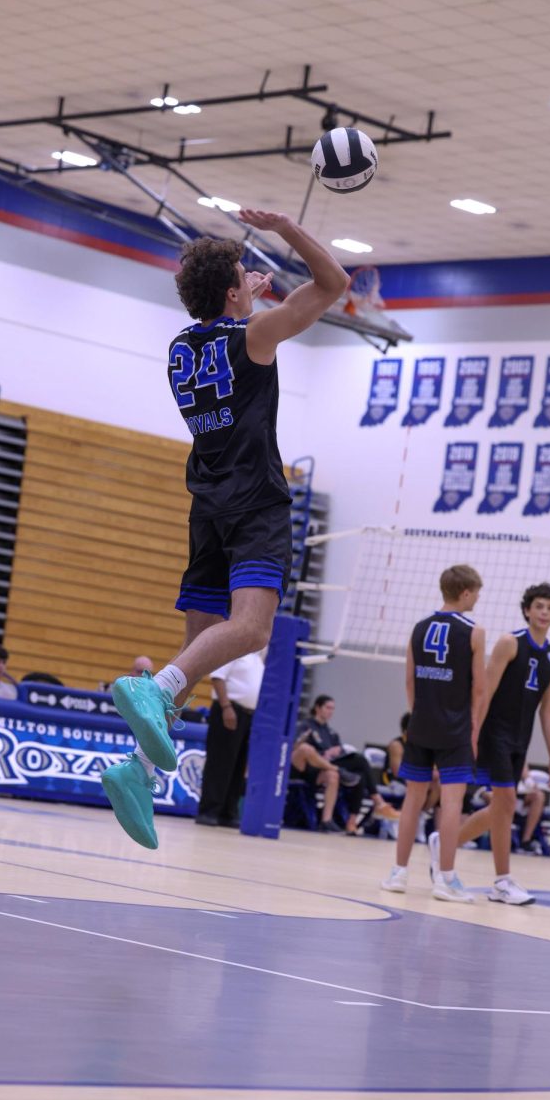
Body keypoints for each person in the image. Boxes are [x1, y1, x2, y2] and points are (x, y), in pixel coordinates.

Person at [100, 211, 349, 849]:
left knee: (201, 647)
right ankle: (152, 687)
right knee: (253, 629)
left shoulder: (181, 348)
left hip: (206, 506)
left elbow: (226, 335)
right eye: (244, 274)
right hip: (254, 503)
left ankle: (137, 771)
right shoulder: (254, 335)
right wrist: (287, 228)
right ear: (236, 291)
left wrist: (241, 300)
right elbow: (333, 283)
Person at [452, 583, 550, 905]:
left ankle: (445, 843)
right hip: (494, 733)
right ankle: (502, 882)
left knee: (501, 807)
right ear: (527, 610)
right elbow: (485, 692)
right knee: (507, 801)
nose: (544, 612)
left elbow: (548, 711)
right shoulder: (509, 643)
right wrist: (473, 733)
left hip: (520, 739)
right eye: (539, 606)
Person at [381, 564, 485, 903]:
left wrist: (418, 716)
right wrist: (474, 728)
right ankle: (447, 879)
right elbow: (479, 689)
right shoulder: (474, 631)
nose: (477, 599)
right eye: (476, 593)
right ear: (465, 593)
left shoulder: (419, 627)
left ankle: (398, 873)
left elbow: (409, 681)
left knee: (412, 799)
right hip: (454, 727)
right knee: (452, 802)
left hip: (421, 723)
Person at [301, 696, 400, 834]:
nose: (331, 711)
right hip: (315, 766)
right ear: (317, 708)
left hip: (331, 765)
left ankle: (351, 822)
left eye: (333, 709)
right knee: (360, 760)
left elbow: (339, 750)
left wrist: (337, 751)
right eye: (328, 708)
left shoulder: (331, 732)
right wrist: (324, 753)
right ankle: (379, 803)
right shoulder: (307, 726)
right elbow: (301, 750)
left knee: (360, 776)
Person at [196, 649, 264, 828]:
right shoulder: (234, 650)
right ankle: (208, 811)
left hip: (249, 715)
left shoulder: (257, 658)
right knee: (220, 762)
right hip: (230, 710)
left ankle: (228, 812)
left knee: (238, 765)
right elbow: (217, 677)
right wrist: (226, 707)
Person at [290, 733, 341, 832]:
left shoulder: (330, 733)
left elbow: (337, 750)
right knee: (305, 748)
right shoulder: (305, 726)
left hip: (317, 768)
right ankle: (335, 768)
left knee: (333, 776)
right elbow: (293, 746)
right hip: (298, 766)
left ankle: (326, 820)